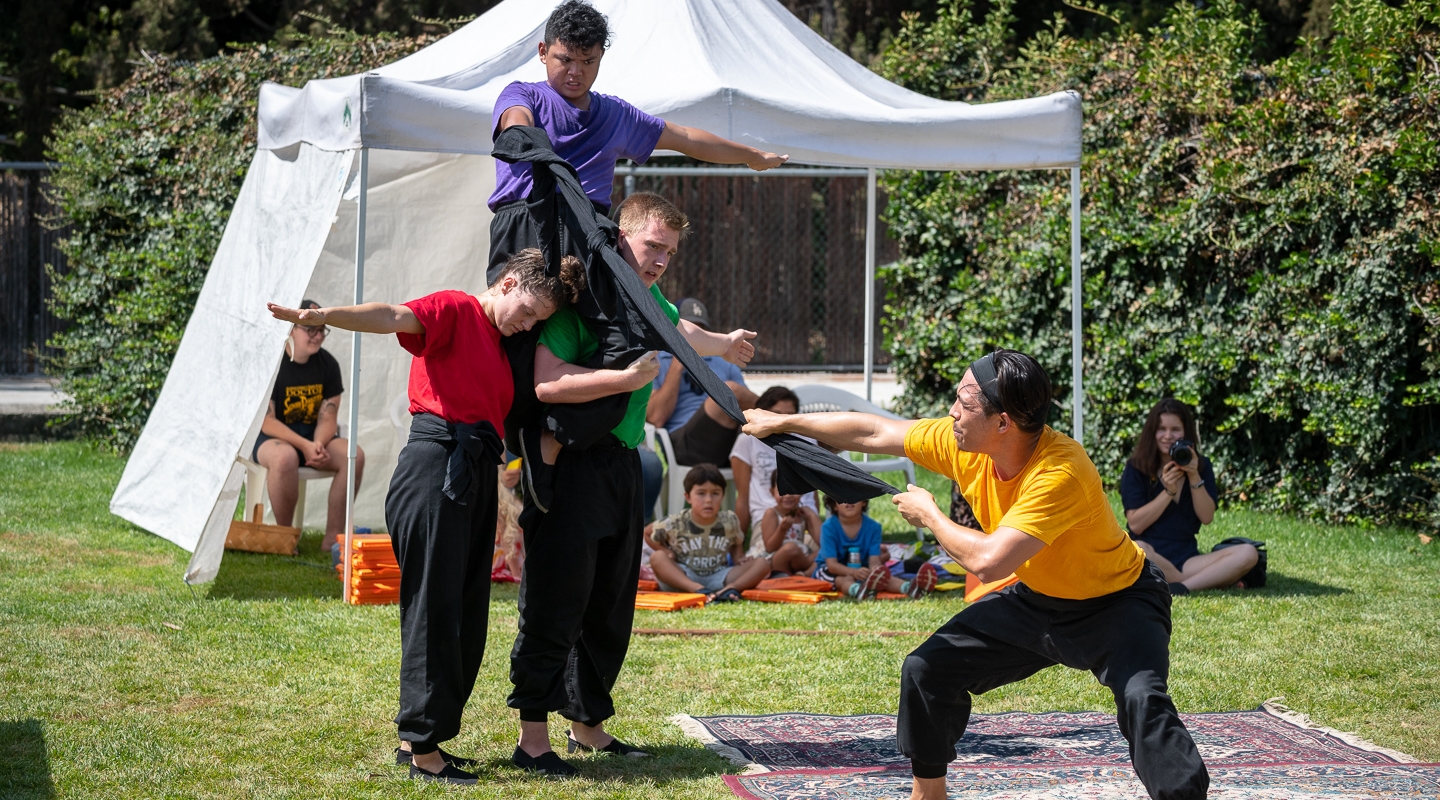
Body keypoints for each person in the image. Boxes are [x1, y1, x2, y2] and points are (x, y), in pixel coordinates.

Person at [741, 349, 1210, 800]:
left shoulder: (1061, 471)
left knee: (1143, 701)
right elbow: (874, 431)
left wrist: (929, 515)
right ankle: (929, 794)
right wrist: (784, 423)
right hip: (1039, 599)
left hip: (1118, 603)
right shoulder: (965, 442)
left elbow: (989, 561)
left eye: (963, 403)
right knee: (927, 670)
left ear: (1003, 421)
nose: (951, 412)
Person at [268, 249, 585, 786]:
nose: (527, 325)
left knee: (465, 611)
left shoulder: (498, 339)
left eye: (537, 322)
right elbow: (392, 315)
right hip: (436, 466)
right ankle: (422, 748)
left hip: (474, 471)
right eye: (528, 311)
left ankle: (424, 736)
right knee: (433, 609)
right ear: (507, 284)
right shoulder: (456, 309)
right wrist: (324, 317)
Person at [508, 192, 755, 776]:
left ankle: (588, 726)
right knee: (556, 598)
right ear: (621, 238)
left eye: (670, 251)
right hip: (573, 464)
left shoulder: (649, 301)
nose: (661, 260)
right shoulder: (583, 304)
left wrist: (723, 344)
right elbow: (546, 383)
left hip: (624, 464)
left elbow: (678, 330)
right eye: (652, 246)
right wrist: (621, 377)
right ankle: (533, 738)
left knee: (611, 602)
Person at [487, 0, 784, 456]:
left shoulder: (614, 115)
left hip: (587, 238)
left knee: (630, 338)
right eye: (566, 59)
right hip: (530, 224)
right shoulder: (524, 95)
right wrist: (530, 143)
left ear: (601, 61)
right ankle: (503, 446)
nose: (575, 72)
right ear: (544, 51)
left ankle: (555, 440)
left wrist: (748, 155)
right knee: (514, 336)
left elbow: (684, 137)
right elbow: (515, 122)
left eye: (588, 62)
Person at [254, 298, 364, 553]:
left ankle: (332, 540)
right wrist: (303, 445)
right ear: (291, 328)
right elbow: (266, 421)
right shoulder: (274, 363)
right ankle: (285, 537)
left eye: (321, 329)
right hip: (273, 439)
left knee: (354, 456)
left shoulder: (328, 364)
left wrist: (316, 445)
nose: (317, 336)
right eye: (310, 330)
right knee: (284, 458)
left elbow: (328, 416)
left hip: (313, 439)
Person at [1121, 398, 1258, 595]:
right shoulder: (1136, 468)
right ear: (1152, 432)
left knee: (1248, 552)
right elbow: (1135, 525)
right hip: (1151, 554)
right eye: (1161, 429)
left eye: (1175, 429)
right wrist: (1168, 491)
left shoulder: (1201, 466)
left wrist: (1193, 475)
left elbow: (1207, 517)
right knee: (1138, 548)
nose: (1168, 436)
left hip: (1188, 558)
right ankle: (1212, 578)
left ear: (1186, 432)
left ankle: (1182, 587)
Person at [647, 298, 759, 466]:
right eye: (688, 331)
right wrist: (680, 359)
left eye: (701, 330)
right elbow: (656, 418)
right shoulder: (656, 362)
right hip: (684, 445)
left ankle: (789, 429)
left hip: (730, 441)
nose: (694, 337)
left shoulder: (725, 362)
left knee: (777, 400)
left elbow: (749, 410)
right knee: (730, 391)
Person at [648, 464, 771, 600]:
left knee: (763, 563)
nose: (708, 500)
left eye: (715, 493)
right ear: (688, 497)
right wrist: (667, 552)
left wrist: (738, 558)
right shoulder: (676, 522)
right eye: (701, 493)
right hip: (684, 575)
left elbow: (737, 542)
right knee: (657, 557)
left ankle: (730, 589)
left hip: (719, 576)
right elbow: (646, 533)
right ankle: (697, 589)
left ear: (723, 496)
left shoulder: (730, 521)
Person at [730, 386, 820, 539]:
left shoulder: (808, 439)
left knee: (820, 556)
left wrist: (814, 518)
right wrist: (738, 546)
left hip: (805, 518)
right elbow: (742, 498)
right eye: (776, 414)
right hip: (767, 518)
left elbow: (813, 492)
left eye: (789, 415)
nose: (782, 420)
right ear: (763, 414)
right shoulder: (748, 441)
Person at [814, 496, 937, 600]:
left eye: (853, 496)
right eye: (842, 498)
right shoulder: (828, 528)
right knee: (844, 579)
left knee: (881, 577)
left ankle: (910, 588)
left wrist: (875, 570)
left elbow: (874, 558)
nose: (849, 501)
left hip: (862, 569)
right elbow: (832, 565)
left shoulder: (873, 527)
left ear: (863, 502)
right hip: (831, 572)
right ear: (834, 506)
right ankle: (858, 591)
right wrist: (853, 572)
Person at [753, 471, 821, 576]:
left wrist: (812, 516)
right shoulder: (771, 514)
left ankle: (803, 574)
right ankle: (790, 575)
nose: (788, 495)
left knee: (826, 552)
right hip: (775, 558)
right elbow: (770, 548)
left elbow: (823, 541)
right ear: (772, 492)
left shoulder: (802, 515)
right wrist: (782, 529)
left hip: (799, 558)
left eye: (793, 490)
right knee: (790, 548)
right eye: (782, 490)